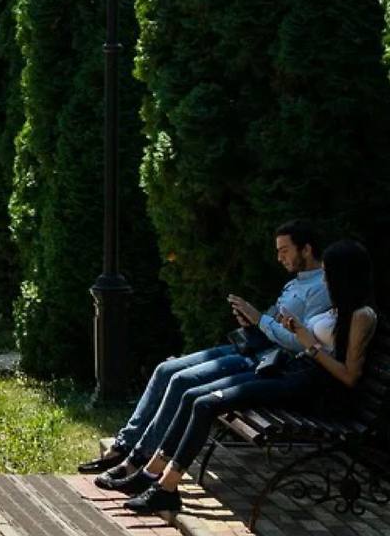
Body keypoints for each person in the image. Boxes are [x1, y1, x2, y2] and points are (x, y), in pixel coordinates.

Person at [123, 239, 377, 515]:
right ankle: (151, 474)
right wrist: (294, 330)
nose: (324, 279)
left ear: (344, 275)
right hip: (293, 372)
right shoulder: (336, 308)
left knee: (207, 404)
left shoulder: (362, 315)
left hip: (312, 389)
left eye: (329, 273)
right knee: (193, 396)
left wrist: (310, 344)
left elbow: (350, 376)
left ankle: (166, 488)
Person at [81, 220, 330, 484]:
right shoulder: (295, 283)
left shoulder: (321, 289)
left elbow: (303, 342)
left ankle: (139, 458)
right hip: (252, 347)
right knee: (165, 369)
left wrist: (261, 321)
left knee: (182, 381)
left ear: (306, 249)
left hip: (269, 362)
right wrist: (253, 321)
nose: (279, 257)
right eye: (278, 250)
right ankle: (123, 445)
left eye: (285, 250)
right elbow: (272, 323)